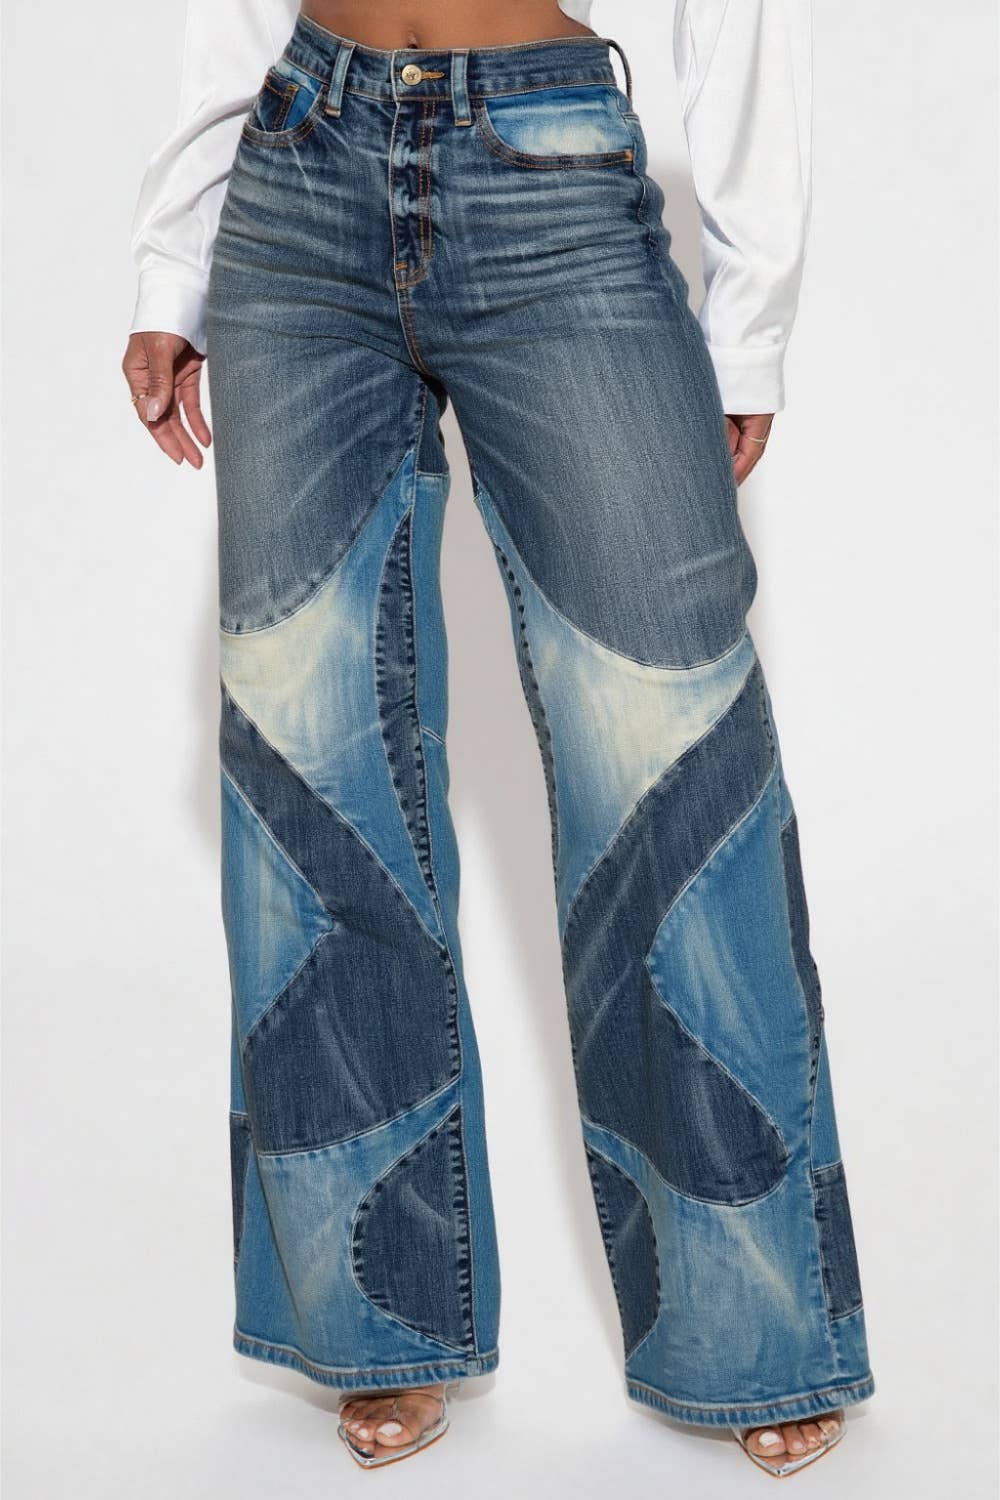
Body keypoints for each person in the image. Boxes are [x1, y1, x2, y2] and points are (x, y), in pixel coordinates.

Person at [122, 0, 875, 1477]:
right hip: (297, 171)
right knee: (311, 765)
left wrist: (750, 321)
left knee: (668, 751)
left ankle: (753, 1328)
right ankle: (378, 1323)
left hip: (551, 180)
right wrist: (175, 256)